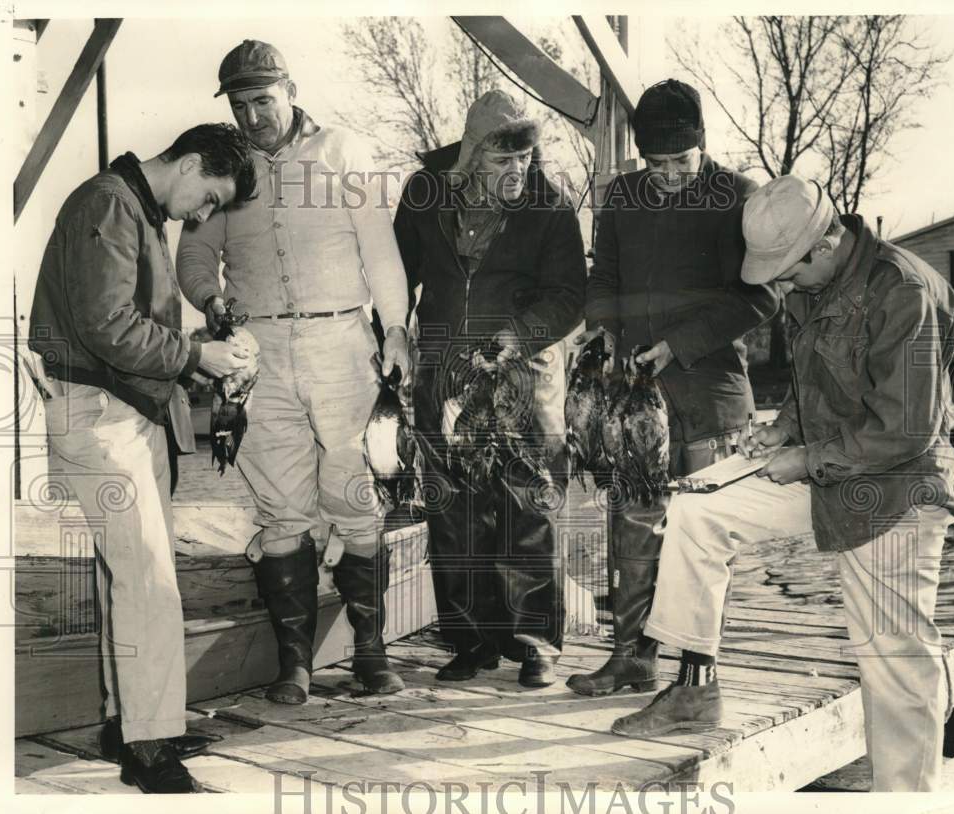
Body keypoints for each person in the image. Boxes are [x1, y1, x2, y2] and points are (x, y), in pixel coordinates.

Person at [611, 175, 954, 793]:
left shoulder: (902, 290)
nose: (779, 285)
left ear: (824, 243)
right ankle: (696, 689)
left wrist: (806, 458)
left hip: (898, 492)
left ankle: (909, 799)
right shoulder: (817, 281)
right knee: (699, 512)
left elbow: (906, 430)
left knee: (894, 659)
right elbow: (823, 385)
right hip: (829, 468)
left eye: (786, 270)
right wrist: (786, 430)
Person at [177, 40, 412, 703]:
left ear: (290, 89)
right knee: (281, 508)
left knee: (356, 494)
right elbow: (194, 253)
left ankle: (370, 652)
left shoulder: (343, 150)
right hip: (257, 354)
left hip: (342, 340)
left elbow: (380, 248)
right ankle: (295, 663)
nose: (253, 116)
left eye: (264, 100)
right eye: (240, 104)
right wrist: (211, 301)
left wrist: (394, 327)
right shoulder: (225, 165)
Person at [29, 123, 257, 793]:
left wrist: (200, 346)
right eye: (209, 198)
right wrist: (195, 356)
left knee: (125, 575)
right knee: (150, 577)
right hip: (100, 414)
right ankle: (149, 744)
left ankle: (128, 719)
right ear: (188, 165)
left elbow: (125, 322)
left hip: (128, 410)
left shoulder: (131, 207)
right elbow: (104, 327)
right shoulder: (109, 203)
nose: (204, 215)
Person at [566, 79, 779, 697]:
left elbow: (761, 296)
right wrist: (603, 332)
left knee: (703, 532)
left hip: (710, 397)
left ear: (702, 145)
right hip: (633, 398)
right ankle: (630, 656)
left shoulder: (740, 197)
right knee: (631, 526)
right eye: (654, 164)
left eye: (679, 163)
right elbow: (602, 276)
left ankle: (695, 675)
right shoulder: (622, 196)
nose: (665, 177)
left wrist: (679, 345)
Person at [393, 89, 586, 688]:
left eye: (526, 160)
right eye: (504, 162)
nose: (519, 172)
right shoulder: (425, 195)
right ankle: (469, 639)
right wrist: (396, 338)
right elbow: (394, 276)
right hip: (444, 368)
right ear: (473, 156)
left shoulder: (550, 208)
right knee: (453, 509)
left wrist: (517, 337)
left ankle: (533, 642)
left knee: (526, 504)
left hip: (524, 373)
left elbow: (569, 296)